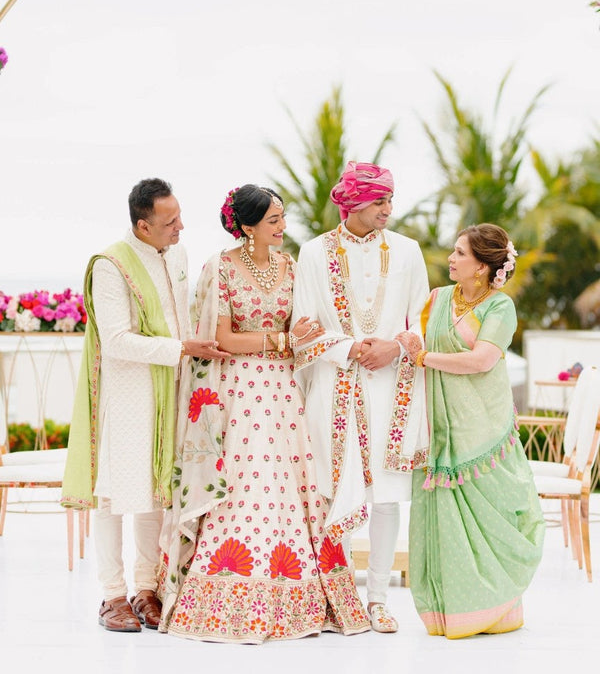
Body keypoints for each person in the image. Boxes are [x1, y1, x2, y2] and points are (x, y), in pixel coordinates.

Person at [158, 184, 371, 643]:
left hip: (284, 390)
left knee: (290, 481)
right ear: (248, 226)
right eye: (274, 221)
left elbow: (302, 325)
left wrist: (305, 335)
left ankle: (297, 591)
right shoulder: (221, 268)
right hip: (239, 391)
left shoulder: (291, 266)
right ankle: (226, 592)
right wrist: (281, 341)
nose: (283, 227)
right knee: (243, 480)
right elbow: (223, 340)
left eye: (282, 218)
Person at [62, 178, 228, 633]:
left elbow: (185, 312)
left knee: (157, 491)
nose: (181, 227)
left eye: (179, 216)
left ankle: (145, 589)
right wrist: (182, 349)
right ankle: (112, 595)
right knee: (116, 495)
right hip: (127, 393)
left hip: (171, 389)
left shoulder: (177, 253)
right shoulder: (111, 266)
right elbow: (115, 342)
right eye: (170, 221)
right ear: (142, 224)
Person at [291, 161, 430, 633]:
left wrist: (394, 347)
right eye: (379, 202)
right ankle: (341, 597)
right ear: (352, 204)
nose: (389, 209)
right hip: (336, 386)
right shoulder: (312, 254)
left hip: (394, 385)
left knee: (387, 495)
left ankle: (378, 601)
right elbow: (303, 327)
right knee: (336, 492)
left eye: (390, 200)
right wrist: (348, 347)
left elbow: (423, 320)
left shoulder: (409, 252)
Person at [398, 223, 545, 639]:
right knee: (445, 519)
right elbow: (413, 337)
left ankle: (496, 609)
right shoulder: (437, 299)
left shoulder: (500, 308)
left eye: (460, 253)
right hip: (441, 426)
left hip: (483, 426)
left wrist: (425, 357)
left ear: (482, 266)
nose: (451, 258)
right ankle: (453, 614)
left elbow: (482, 361)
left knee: (492, 516)